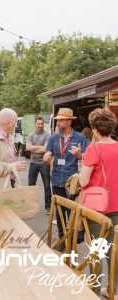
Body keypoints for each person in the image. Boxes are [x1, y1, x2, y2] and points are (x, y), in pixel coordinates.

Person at [79, 108, 118, 299]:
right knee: (114, 250)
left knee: (96, 250)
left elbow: (84, 181)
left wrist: (78, 178)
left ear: (94, 129)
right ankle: (112, 290)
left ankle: (94, 290)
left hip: (96, 209)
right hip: (116, 206)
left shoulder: (93, 149)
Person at [43, 108, 88, 242]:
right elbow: (47, 157)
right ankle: (62, 239)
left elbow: (87, 158)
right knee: (60, 211)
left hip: (73, 181)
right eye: (58, 120)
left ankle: (71, 239)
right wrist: (46, 159)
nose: (58, 123)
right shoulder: (53, 138)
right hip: (57, 179)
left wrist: (80, 155)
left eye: (61, 120)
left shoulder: (80, 138)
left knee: (72, 211)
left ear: (69, 122)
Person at [26, 116, 51, 215]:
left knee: (47, 186)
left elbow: (45, 149)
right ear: (35, 124)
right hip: (33, 163)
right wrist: (40, 147)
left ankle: (48, 206)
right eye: (38, 124)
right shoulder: (31, 135)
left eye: (42, 124)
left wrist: (33, 148)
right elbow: (28, 148)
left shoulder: (47, 135)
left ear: (43, 124)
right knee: (31, 185)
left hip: (44, 163)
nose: (40, 125)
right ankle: (31, 206)